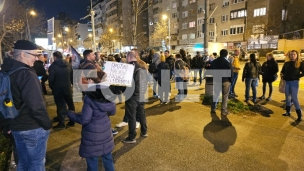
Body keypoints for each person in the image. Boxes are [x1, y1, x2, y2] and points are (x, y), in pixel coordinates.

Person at [0, 40, 52, 170]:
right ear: (23, 55)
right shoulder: (26, 73)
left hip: (16, 127)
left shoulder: (5, 71)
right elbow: (36, 105)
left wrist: (6, 125)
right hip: (32, 127)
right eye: (34, 55)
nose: (37, 58)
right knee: (36, 164)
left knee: (23, 163)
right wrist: (47, 125)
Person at [67, 70, 116, 171]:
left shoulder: (90, 97)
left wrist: (70, 114)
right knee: (108, 159)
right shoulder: (109, 93)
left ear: (92, 81)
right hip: (105, 132)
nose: (87, 82)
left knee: (92, 161)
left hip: (92, 136)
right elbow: (113, 112)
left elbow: (85, 119)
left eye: (88, 80)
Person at [122, 51, 148, 143]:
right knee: (142, 114)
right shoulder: (142, 65)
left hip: (132, 95)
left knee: (131, 116)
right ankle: (144, 132)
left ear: (128, 57)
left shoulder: (128, 68)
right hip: (142, 94)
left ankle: (132, 137)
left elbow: (125, 83)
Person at [48, 51, 75, 129]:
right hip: (68, 88)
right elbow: (72, 77)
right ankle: (72, 120)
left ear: (55, 57)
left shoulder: (53, 66)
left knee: (60, 106)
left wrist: (52, 87)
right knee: (70, 104)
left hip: (58, 89)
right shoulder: (68, 65)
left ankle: (62, 123)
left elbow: (51, 80)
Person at [281, 50, 304, 122]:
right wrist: (283, 76)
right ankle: (288, 112)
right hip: (287, 82)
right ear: (289, 55)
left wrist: (296, 76)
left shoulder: (300, 63)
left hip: (294, 83)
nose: (292, 56)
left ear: (297, 55)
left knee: (294, 99)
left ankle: (299, 115)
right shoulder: (287, 63)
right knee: (287, 97)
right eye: (291, 54)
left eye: (294, 54)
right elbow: (282, 71)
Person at [210, 49, 233, 115]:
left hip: (217, 80)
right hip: (225, 81)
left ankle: (213, 108)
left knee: (216, 95)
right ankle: (223, 110)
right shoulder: (227, 61)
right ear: (226, 54)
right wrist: (231, 81)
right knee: (225, 96)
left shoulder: (214, 61)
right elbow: (231, 72)